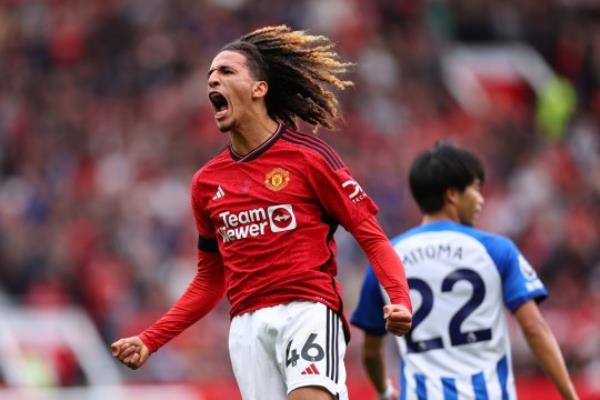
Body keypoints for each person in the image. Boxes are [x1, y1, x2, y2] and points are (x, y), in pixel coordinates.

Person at [111, 25, 412, 400]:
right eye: (210, 76)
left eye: (226, 71)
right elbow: (209, 281)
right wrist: (150, 340)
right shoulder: (207, 183)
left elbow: (371, 236)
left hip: (307, 310)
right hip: (246, 328)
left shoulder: (310, 158)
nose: (212, 81)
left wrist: (399, 298)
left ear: (259, 88)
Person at [351, 143, 579, 400]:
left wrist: (384, 390)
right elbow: (535, 328)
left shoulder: (387, 258)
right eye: (476, 189)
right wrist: (570, 395)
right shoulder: (496, 250)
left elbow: (371, 350)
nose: (481, 200)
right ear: (452, 195)